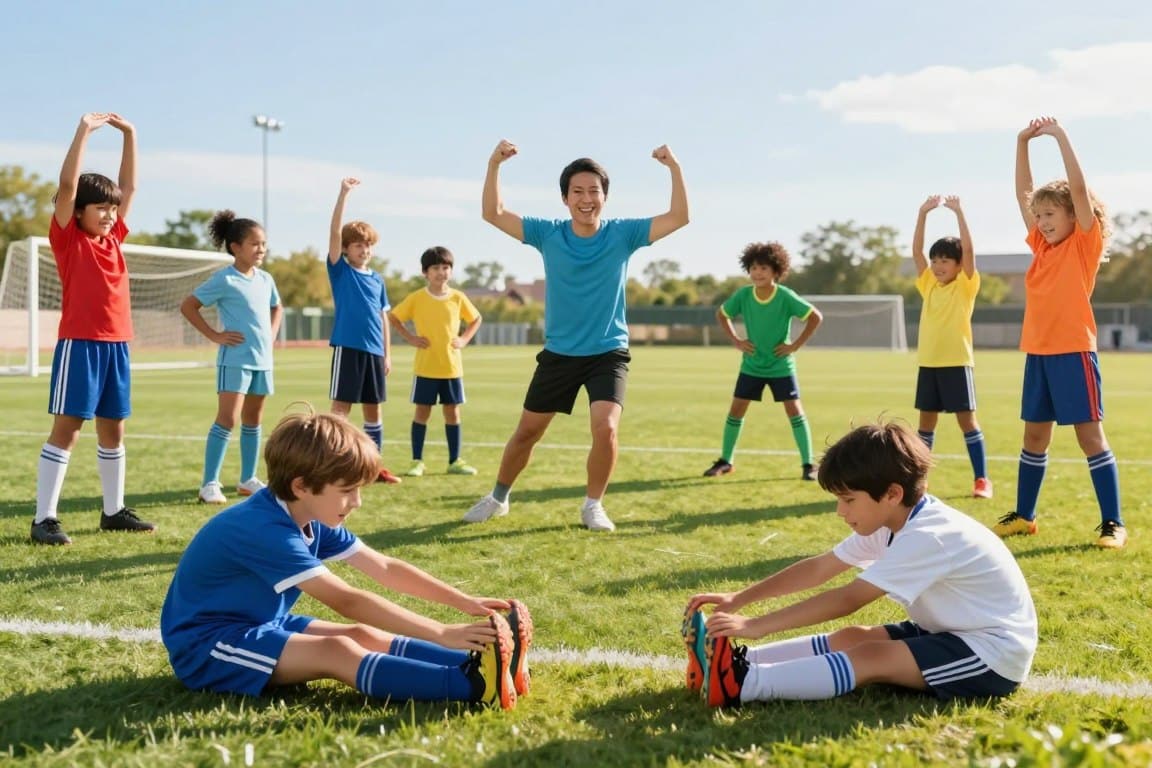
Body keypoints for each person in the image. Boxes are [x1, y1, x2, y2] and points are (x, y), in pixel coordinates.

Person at [160, 408, 533, 709]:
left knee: (362, 635)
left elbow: (385, 568)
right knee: (336, 651)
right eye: (348, 490)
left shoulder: (306, 512)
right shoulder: (262, 529)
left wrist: (462, 602)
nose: (357, 502)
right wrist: (442, 632)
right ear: (301, 486)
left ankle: (477, 662)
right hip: (208, 645)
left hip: (260, 622)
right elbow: (346, 600)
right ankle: (470, 685)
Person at [683, 421, 1037, 708]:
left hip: (991, 654)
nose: (841, 511)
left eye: (848, 499)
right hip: (949, 628)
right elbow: (821, 568)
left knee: (872, 657)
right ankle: (738, 664)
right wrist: (739, 599)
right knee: (851, 638)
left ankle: (741, 685)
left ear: (892, 493)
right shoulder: (893, 520)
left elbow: (847, 599)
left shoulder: (929, 536)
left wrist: (757, 624)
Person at [463, 139, 690, 531]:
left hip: (608, 351)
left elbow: (679, 217)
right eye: (578, 192)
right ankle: (498, 497)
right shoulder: (548, 233)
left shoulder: (624, 234)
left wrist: (674, 167)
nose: (587, 199)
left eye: (594, 191)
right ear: (566, 199)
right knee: (528, 432)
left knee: (606, 427)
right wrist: (494, 164)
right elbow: (493, 213)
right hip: (560, 353)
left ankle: (593, 504)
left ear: (605, 197)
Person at [994, 116, 1125, 549]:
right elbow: (1021, 193)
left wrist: (1061, 137)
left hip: (1073, 353)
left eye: (1050, 214)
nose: (1042, 221)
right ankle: (1024, 517)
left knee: (1089, 438)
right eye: (1038, 216)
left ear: (1073, 215)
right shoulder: (1041, 248)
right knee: (1034, 437)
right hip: (1039, 354)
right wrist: (1020, 144)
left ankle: (1113, 523)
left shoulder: (1083, 245)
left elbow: (1080, 190)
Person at [30, 112, 156, 545]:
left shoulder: (115, 238)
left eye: (112, 208)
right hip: (80, 345)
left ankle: (113, 510)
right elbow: (66, 187)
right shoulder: (69, 239)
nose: (108, 214)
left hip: (117, 346)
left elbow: (131, 186)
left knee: (113, 428)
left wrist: (131, 135)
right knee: (69, 428)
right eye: (100, 207)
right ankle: (44, 518)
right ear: (79, 211)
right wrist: (84, 131)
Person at [180, 211, 282, 504]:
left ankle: (248, 479)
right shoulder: (224, 279)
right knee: (228, 419)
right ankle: (209, 484)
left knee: (254, 420)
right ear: (235, 247)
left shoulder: (266, 279)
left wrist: (271, 335)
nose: (261, 249)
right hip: (235, 360)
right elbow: (188, 306)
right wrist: (215, 335)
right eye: (254, 244)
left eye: (263, 244)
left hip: (263, 360)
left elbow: (278, 307)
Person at [702, 242, 822, 481]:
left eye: (764, 268)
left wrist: (794, 346)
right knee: (736, 411)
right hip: (751, 365)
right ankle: (726, 461)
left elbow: (815, 317)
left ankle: (809, 465)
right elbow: (722, 314)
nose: (757, 273)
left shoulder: (786, 296)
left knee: (794, 410)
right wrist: (736, 340)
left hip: (780, 365)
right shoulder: (744, 294)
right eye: (754, 267)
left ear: (776, 271)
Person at [910, 195, 992, 499]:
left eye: (945, 260)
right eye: (935, 260)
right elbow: (916, 251)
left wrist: (959, 212)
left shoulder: (965, 285)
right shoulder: (928, 283)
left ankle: (982, 479)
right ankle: (920, 481)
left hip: (957, 363)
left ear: (959, 265)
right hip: (928, 363)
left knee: (967, 422)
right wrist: (923, 214)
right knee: (925, 427)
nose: (937, 265)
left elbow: (969, 249)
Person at [326, 178, 402, 485]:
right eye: (358, 244)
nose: (364, 249)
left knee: (374, 412)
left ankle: (374, 468)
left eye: (368, 245)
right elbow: (333, 231)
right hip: (348, 348)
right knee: (340, 411)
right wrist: (343, 194)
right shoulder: (339, 270)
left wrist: (387, 353)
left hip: (374, 353)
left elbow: (384, 318)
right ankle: (330, 464)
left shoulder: (378, 279)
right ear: (346, 249)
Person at [387, 246, 483, 477]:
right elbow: (394, 316)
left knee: (452, 413)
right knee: (422, 412)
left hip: (451, 367)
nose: (441, 272)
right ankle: (417, 461)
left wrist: (464, 339)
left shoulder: (458, 297)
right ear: (425, 272)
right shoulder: (417, 298)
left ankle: (455, 461)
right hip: (425, 367)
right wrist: (410, 337)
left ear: (451, 271)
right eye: (435, 268)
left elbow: (476, 319)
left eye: (445, 267)